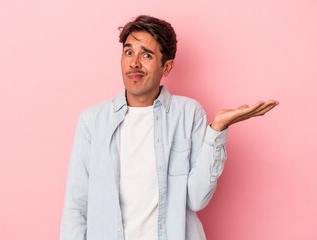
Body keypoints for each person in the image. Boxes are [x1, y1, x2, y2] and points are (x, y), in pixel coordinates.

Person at [60, 15, 278, 240]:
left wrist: (217, 131)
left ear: (167, 67)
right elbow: (76, 206)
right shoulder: (93, 121)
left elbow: (196, 198)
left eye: (146, 54)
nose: (134, 63)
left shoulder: (188, 114)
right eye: (128, 52)